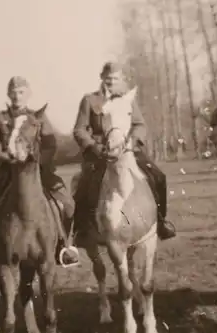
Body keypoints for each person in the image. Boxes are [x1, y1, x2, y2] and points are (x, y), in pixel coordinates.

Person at [0, 75, 79, 269]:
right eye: (13, 92)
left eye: (21, 92)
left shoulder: (37, 117)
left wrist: (39, 163)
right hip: (5, 174)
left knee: (67, 204)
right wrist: (6, 157)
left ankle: (63, 246)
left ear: (28, 94)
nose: (17, 96)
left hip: (37, 173)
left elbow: (50, 144)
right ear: (8, 94)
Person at [72, 61, 176, 241]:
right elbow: (79, 129)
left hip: (127, 150)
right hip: (100, 153)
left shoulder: (127, 99)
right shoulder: (90, 100)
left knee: (158, 176)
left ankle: (160, 222)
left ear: (120, 80)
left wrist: (133, 141)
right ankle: (82, 231)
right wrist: (95, 147)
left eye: (115, 78)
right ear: (102, 78)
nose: (111, 81)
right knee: (84, 184)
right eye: (108, 78)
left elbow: (139, 124)